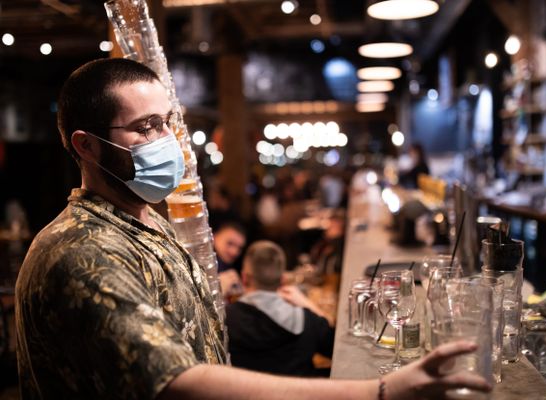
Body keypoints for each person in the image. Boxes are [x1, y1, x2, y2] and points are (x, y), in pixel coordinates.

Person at [15, 58, 490, 400]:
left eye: (168, 123)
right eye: (145, 127)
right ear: (87, 147)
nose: (166, 141)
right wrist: (380, 390)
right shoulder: (78, 251)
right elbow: (177, 382)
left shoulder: (146, 219)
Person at [226, 240, 334, 376]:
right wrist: (309, 305)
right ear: (283, 279)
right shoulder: (308, 321)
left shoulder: (226, 319)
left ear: (245, 277)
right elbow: (337, 350)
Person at [213, 221, 246, 298]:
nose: (234, 252)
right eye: (230, 243)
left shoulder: (229, 269)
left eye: (239, 248)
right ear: (213, 237)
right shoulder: (201, 262)